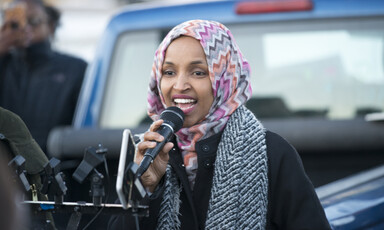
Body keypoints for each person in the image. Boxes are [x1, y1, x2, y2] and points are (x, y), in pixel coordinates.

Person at [108, 20, 331, 229]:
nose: (180, 85)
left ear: (225, 79)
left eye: (198, 72)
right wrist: (144, 188)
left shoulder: (272, 154)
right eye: (169, 72)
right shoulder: (146, 153)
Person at [0, 0, 87, 153]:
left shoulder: (75, 69)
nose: (25, 28)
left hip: (55, 167)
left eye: (33, 21)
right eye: (16, 23)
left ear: (51, 26)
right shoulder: (4, 64)